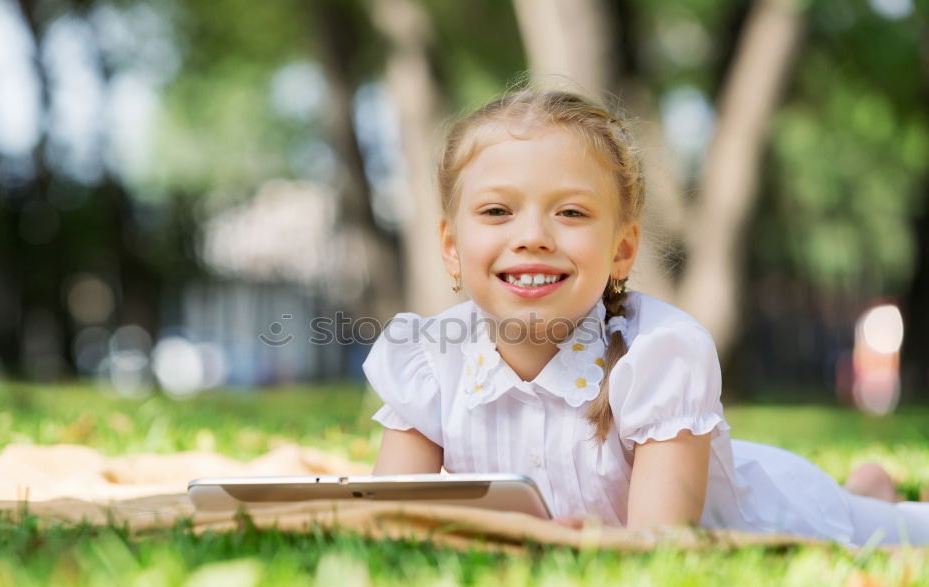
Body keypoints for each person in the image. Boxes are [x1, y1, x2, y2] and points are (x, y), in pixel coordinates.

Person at [361, 88, 929, 547]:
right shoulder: (428, 359)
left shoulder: (659, 353)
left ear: (622, 250)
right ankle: (868, 487)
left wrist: (574, 545)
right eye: (496, 211)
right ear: (451, 247)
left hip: (777, 510)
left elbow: (660, 545)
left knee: (884, 531)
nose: (531, 237)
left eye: (571, 212)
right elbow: (390, 522)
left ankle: (866, 500)